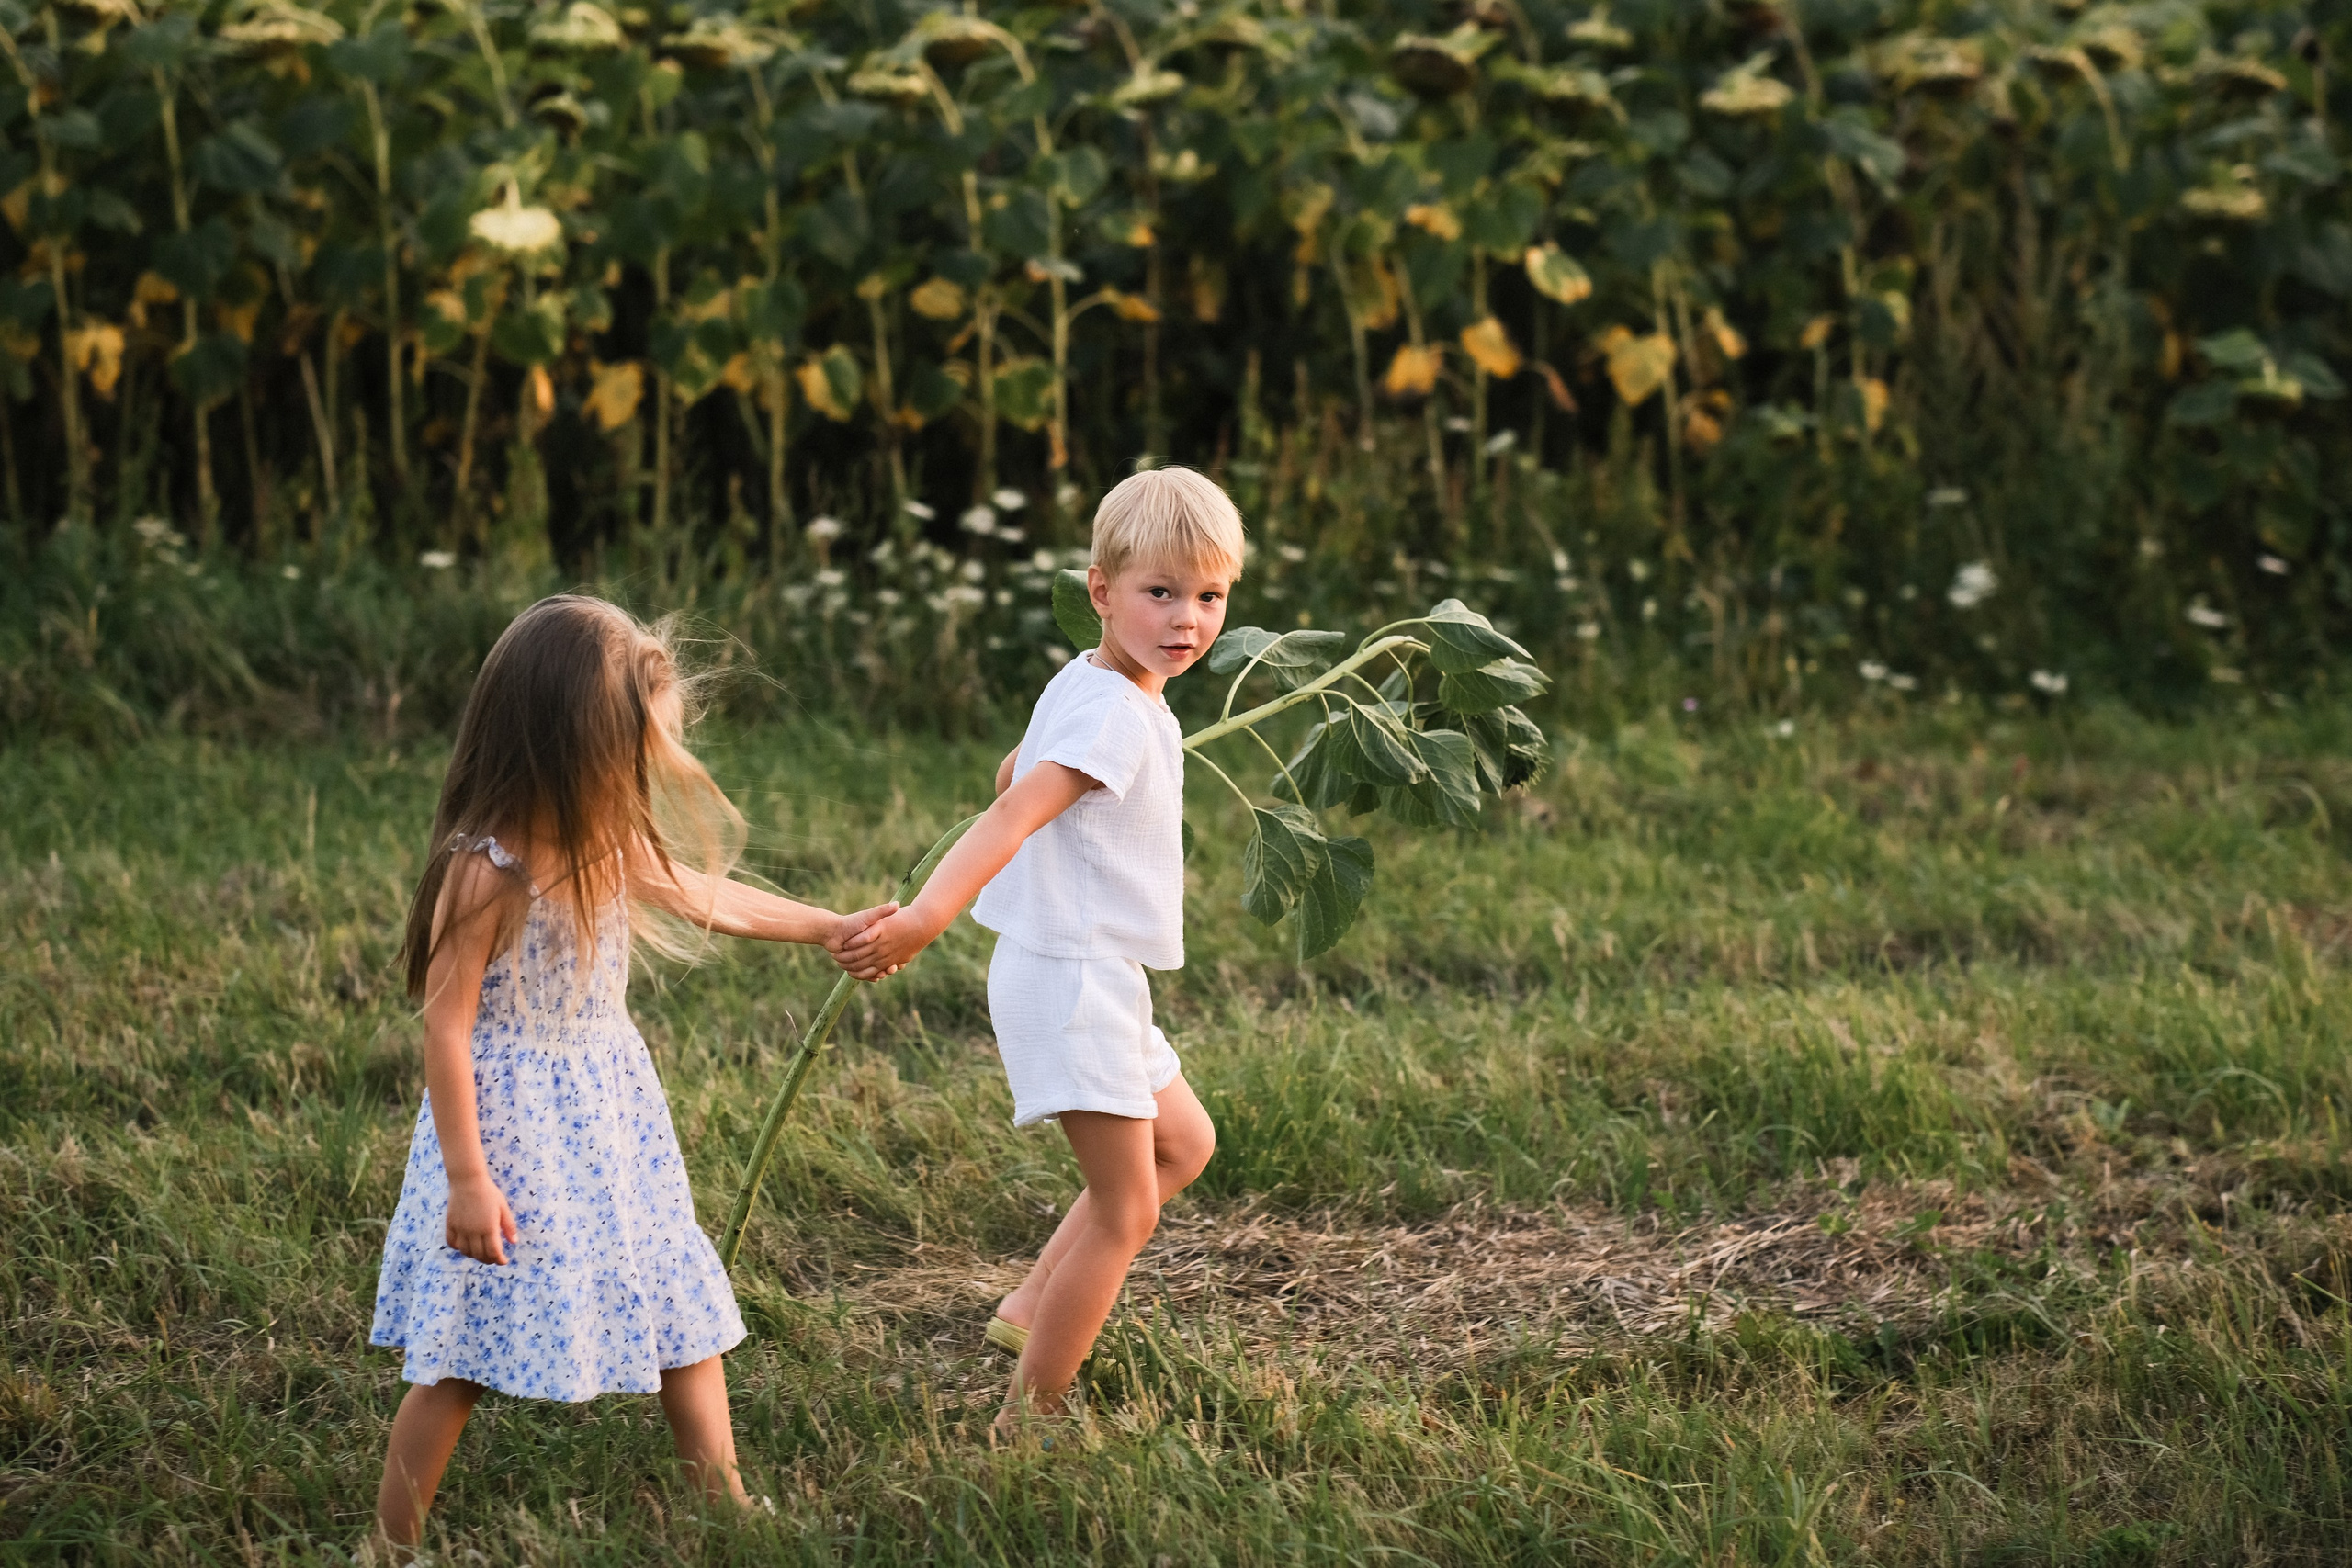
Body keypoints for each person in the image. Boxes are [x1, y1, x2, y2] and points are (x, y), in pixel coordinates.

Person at [369, 594, 893, 1551]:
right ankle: (391, 1540)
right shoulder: (487, 870)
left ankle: (721, 1499)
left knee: (678, 1297)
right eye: (630, 747)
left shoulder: (605, 834)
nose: (642, 769)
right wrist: (469, 1180)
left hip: (609, 1108)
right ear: (566, 744)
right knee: (459, 1355)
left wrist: (827, 925)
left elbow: (702, 894)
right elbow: (445, 1031)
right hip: (514, 1125)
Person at [836, 467, 1238, 1435]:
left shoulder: (1099, 680)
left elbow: (1015, 766)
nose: (1186, 618)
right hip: (1071, 977)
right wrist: (928, 914)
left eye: (1209, 596)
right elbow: (1016, 805)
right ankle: (1030, 1417)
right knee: (1124, 1209)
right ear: (1100, 591)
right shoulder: (1111, 711)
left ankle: (1027, 1307)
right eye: (1160, 593)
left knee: (1183, 1142)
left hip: (1096, 971)